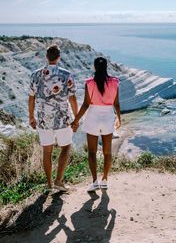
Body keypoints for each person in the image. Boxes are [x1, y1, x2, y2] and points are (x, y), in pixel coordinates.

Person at [28, 44, 78, 191]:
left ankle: (49, 184)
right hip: (63, 118)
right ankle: (59, 180)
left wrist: (31, 117)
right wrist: (76, 117)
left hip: (43, 119)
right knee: (66, 147)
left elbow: (31, 98)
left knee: (47, 151)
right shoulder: (66, 74)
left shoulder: (36, 75)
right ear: (59, 58)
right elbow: (73, 98)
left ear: (46, 57)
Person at [72, 57, 121, 192]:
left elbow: (86, 104)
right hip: (108, 116)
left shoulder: (89, 83)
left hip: (93, 115)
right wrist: (119, 118)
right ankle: (104, 180)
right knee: (107, 151)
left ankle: (94, 182)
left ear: (94, 67)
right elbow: (116, 103)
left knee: (92, 152)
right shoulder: (115, 82)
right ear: (106, 67)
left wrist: (76, 119)